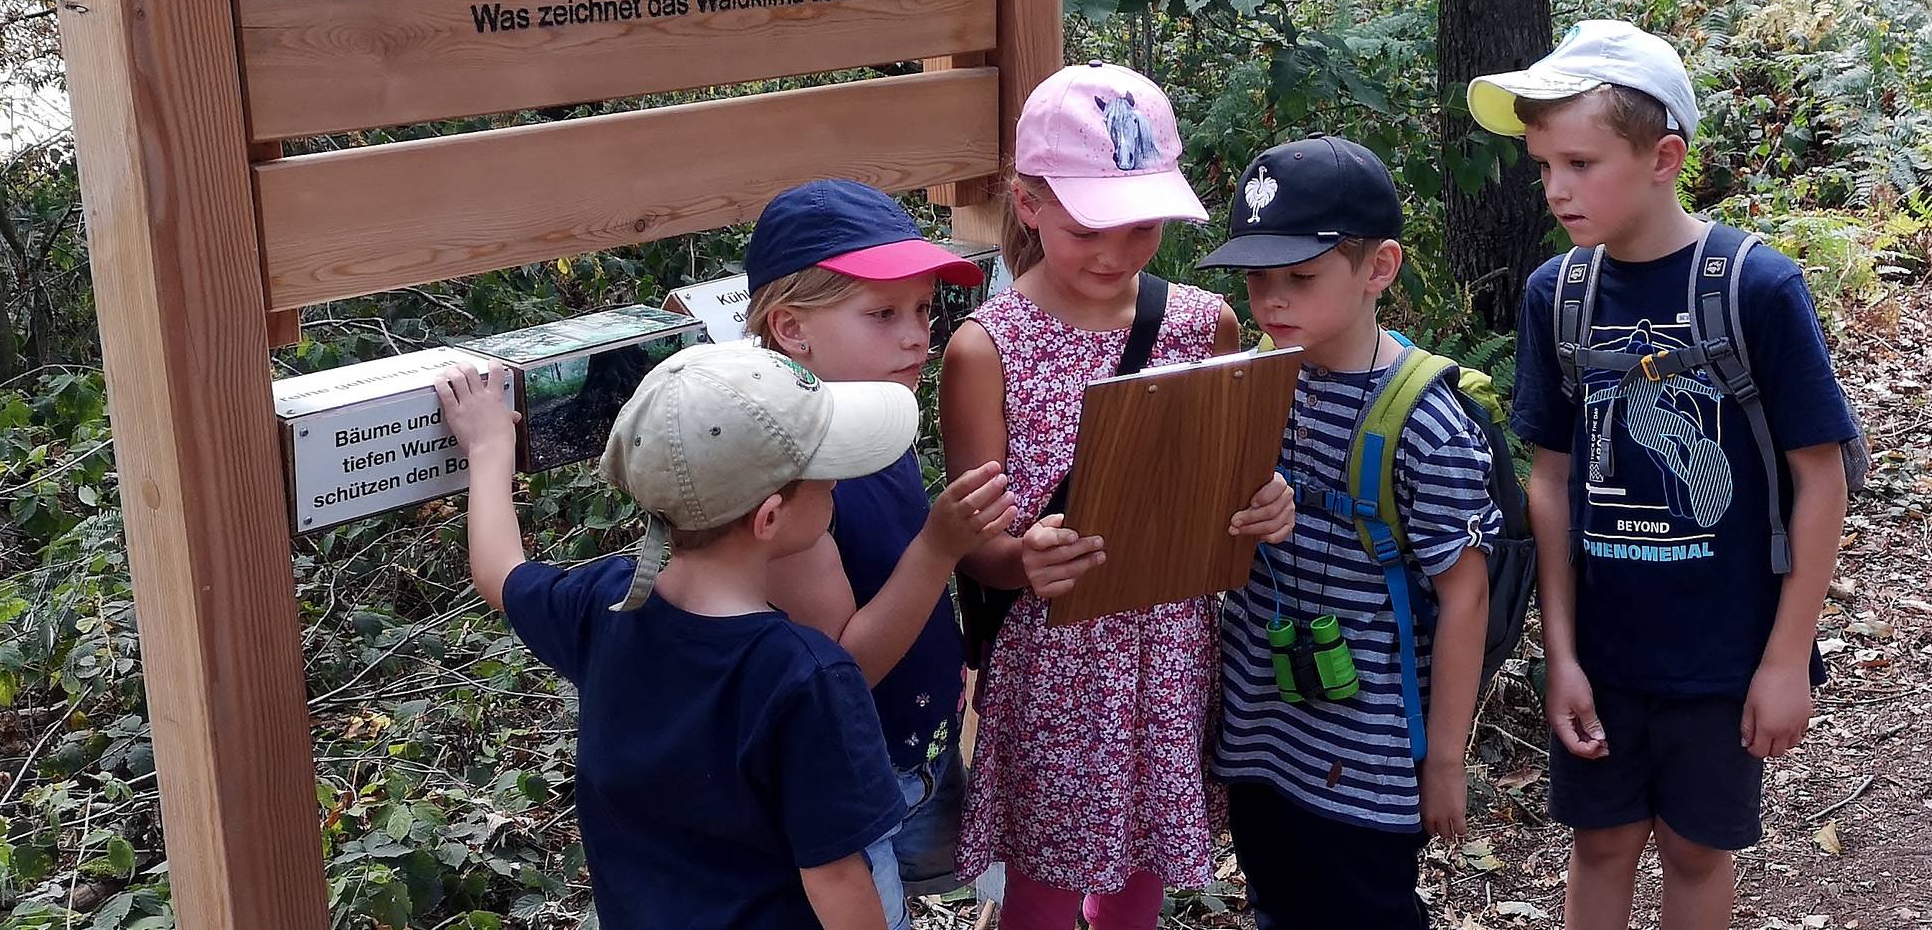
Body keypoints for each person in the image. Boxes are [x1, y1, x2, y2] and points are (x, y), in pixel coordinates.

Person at [1472, 21, 1861, 930]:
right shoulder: (1556, 296)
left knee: (1694, 850)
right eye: (1544, 166)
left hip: (1724, 652)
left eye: (1581, 163)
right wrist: (1561, 656)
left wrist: (1784, 661)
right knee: (1601, 843)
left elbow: (1821, 479)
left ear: (1664, 158)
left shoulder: (1757, 287)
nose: (1557, 189)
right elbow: (1550, 482)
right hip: (1605, 649)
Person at [942, 61, 1298, 930]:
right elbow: (972, 540)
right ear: (1028, 204)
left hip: (1171, 646)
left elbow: (1227, 479)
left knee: (1144, 867)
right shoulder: (985, 349)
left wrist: (1265, 504)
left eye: (1141, 228)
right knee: (1043, 888)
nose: (1114, 253)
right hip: (1054, 661)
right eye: (1088, 228)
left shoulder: (1203, 324)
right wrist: (1021, 559)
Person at [433, 343, 915, 930]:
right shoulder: (807, 677)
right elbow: (837, 879)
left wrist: (487, 449)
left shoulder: (604, 602)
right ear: (768, 518)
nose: (835, 483)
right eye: (824, 473)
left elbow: (500, 573)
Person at [1195, 135, 1500, 930]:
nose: (1272, 301)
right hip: (1262, 732)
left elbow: (1465, 597)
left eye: (1300, 277)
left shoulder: (1427, 424)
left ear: (1379, 267)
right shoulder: (1252, 383)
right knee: (1278, 905)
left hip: (1368, 758)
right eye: (1258, 278)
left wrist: (1445, 761)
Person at [741, 180, 1017, 926]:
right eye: (883, 314)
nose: (917, 336)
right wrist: (940, 546)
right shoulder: (788, 475)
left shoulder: (875, 417)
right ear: (791, 327)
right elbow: (843, 668)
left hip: (913, 745)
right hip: (847, 785)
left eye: (924, 310)